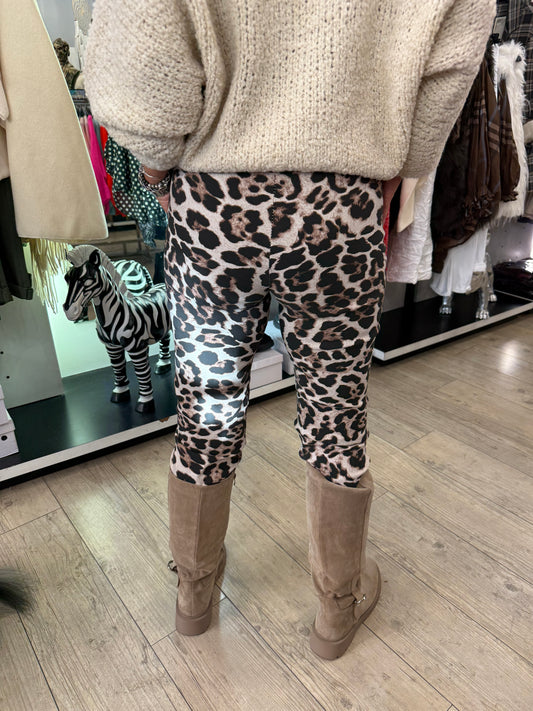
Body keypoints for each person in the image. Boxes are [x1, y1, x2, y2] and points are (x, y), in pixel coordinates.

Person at [85, 0, 495, 660]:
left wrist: (157, 167)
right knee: (336, 408)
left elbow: (143, 51)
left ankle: (194, 592)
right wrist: (405, 160)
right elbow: (453, 55)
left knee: (208, 406)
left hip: (212, 201)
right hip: (344, 199)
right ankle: (336, 606)